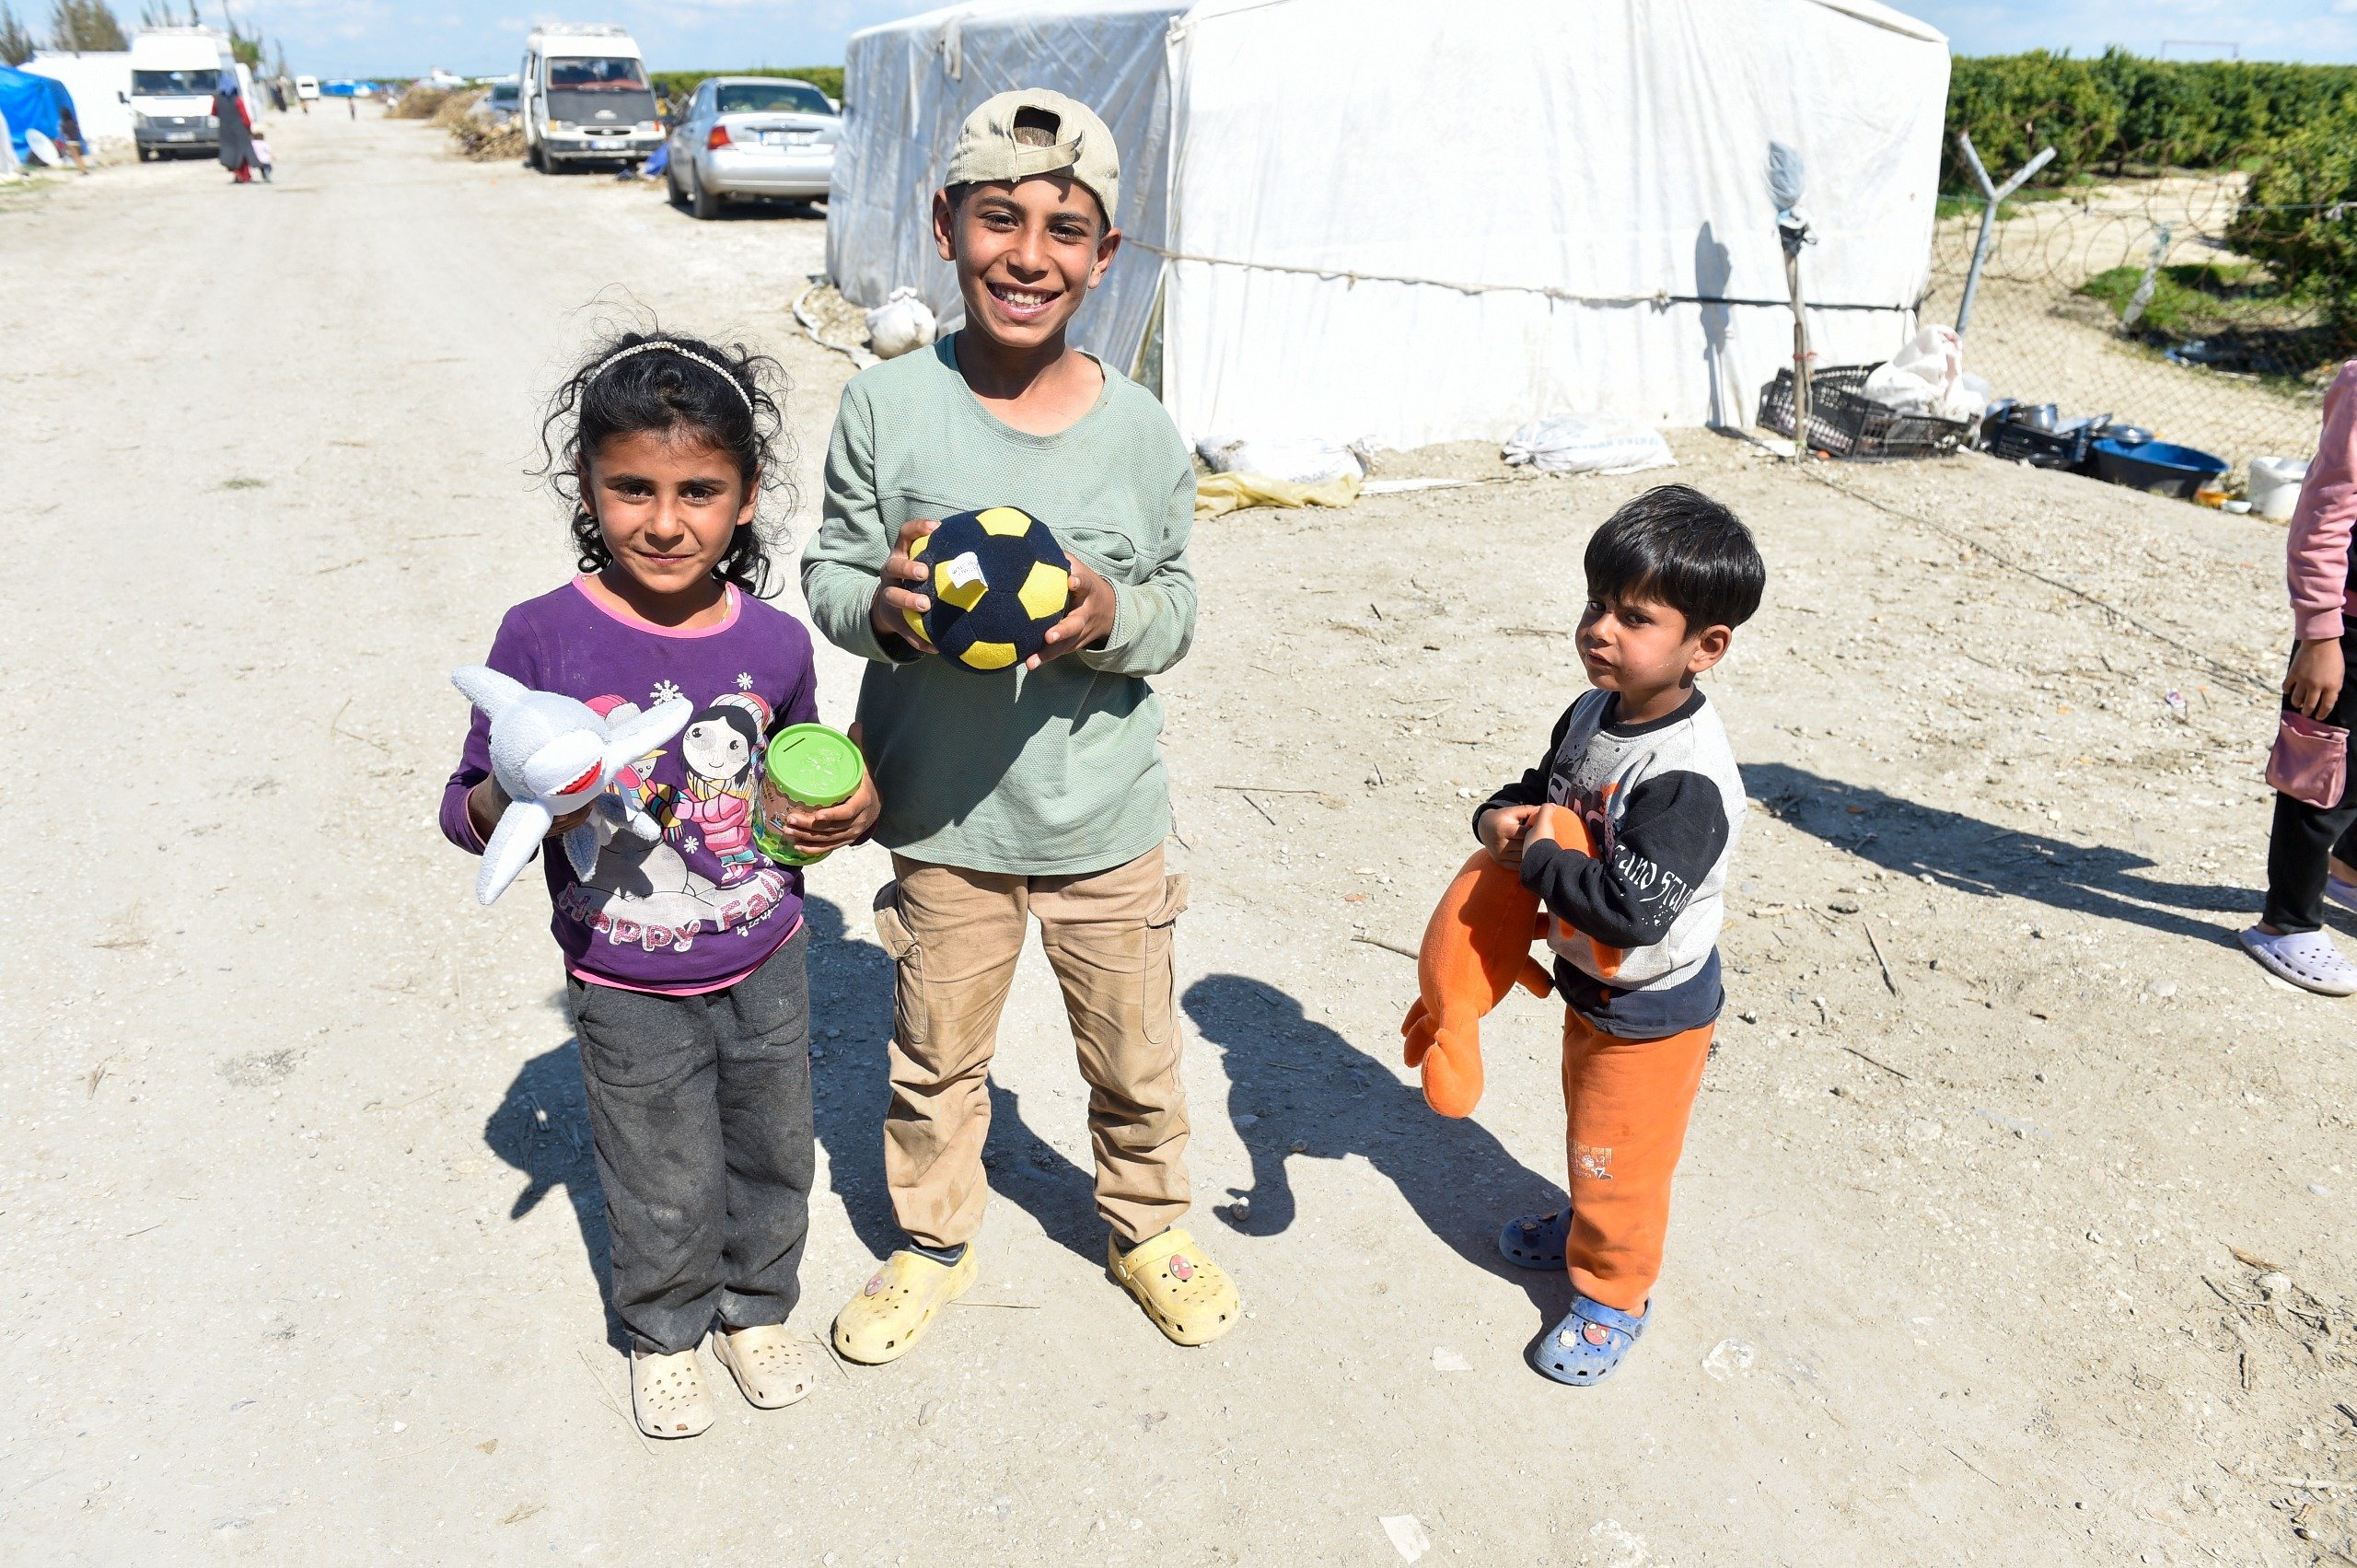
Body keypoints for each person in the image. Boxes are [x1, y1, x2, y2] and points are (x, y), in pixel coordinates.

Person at [801, 88, 1237, 1362]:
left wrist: (1107, 613)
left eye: (1066, 229)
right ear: (946, 226)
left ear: (1105, 257)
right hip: (940, 816)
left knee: (1136, 1053)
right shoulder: (889, 409)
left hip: (1106, 819)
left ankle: (1147, 1221)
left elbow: (1175, 604)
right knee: (935, 1057)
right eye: (1000, 218)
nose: (1029, 254)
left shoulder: (1145, 431)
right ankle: (931, 1237)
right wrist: (879, 609)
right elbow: (830, 570)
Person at [439, 331, 880, 1438]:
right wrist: (520, 784)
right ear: (586, 483)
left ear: (747, 497)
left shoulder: (775, 643)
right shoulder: (540, 637)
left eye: (699, 490)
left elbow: (796, 784)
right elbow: (464, 811)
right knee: (659, 1166)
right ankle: (666, 1327)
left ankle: (756, 1304)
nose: (665, 519)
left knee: (774, 1145)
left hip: (766, 954)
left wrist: (830, 817)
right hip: (621, 972)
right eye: (631, 486)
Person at [1472, 485, 1763, 1385]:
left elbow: (1636, 908)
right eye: (1596, 604)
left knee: (1622, 1156)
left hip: (1653, 1003)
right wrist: (1498, 815)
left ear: (1704, 647)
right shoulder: (1594, 710)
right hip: (1592, 986)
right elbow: (1545, 786)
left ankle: (1613, 1291)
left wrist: (1535, 865)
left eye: (1634, 617)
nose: (1600, 629)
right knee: (1591, 1129)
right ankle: (1590, 1217)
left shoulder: (1684, 778)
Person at [2244, 362, 2357, 994]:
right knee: (2322, 773)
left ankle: (2349, 873)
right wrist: (2319, 631)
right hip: (2346, 628)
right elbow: (2324, 512)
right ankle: (2286, 922)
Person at [212, 69, 258, 184]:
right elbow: (245, 117)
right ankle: (246, 176)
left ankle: (238, 175)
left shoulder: (217, 100)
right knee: (243, 153)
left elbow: (213, 113)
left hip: (225, 130)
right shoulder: (237, 100)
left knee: (231, 152)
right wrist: (249, 128)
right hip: (239, 129)